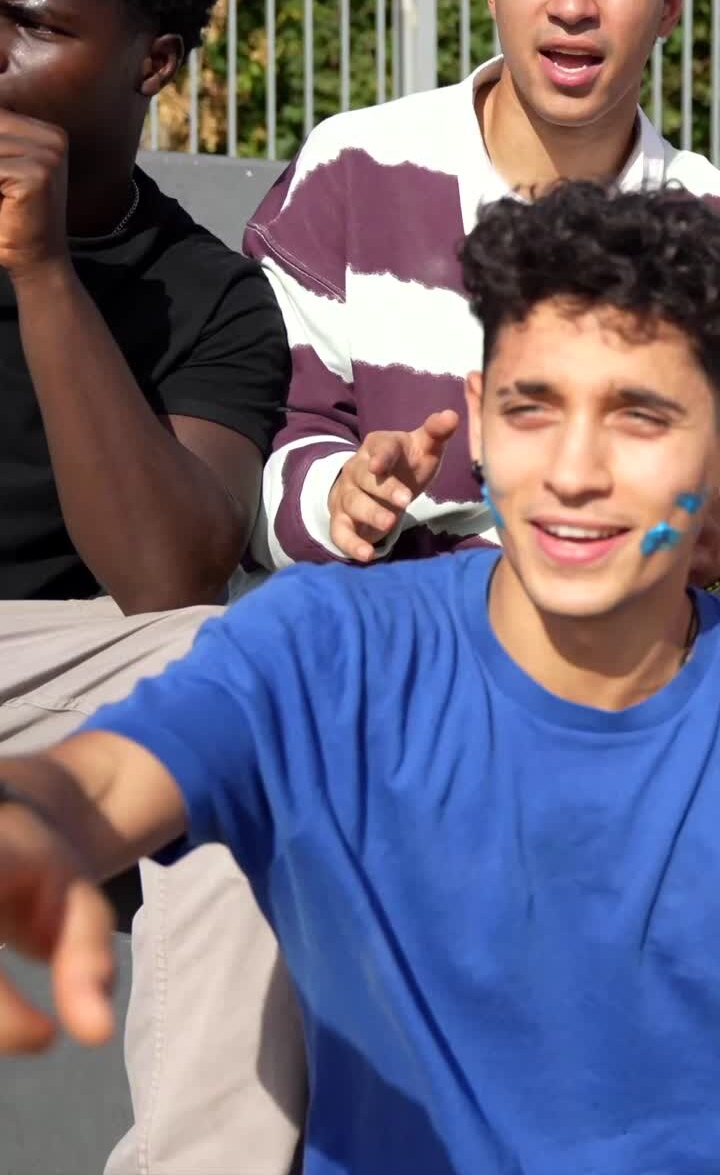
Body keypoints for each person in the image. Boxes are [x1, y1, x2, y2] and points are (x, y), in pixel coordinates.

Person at [2, 182, 720, 1174]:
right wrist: (30, 828)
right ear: (475, 413)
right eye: (531, 407)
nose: (574, 470)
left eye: (642, 418)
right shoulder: (333, 652)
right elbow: (102, 777)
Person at [0, 0, 303, 1174]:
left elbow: (171, 578)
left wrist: (43, 272)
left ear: (153, 61)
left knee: (240, 684)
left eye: (26, 24)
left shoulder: (209, 293)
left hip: (48, 680)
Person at [245, 0, 720, 581]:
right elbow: (252, 467)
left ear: (671, 6)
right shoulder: (354, 166)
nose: (572, 4)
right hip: (385, 643)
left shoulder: (703, 217)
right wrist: (340, 498)